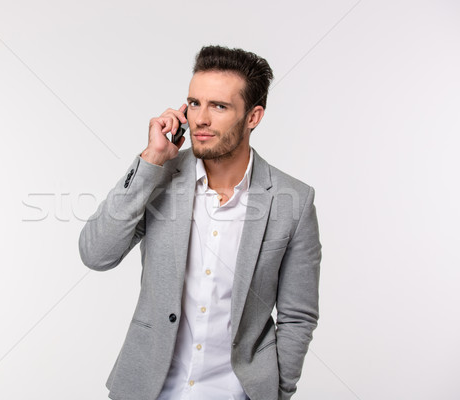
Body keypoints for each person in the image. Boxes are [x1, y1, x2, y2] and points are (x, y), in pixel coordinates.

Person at [79, 45, 321, 400]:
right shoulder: (160, 177)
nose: (200, 119)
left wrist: (277, 392)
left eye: (219, 106)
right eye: (194, 103)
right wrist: (150, 161)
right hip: (149, 388)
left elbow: (298, 315)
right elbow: (96, 254)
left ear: (253, 117)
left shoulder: (293, 200)